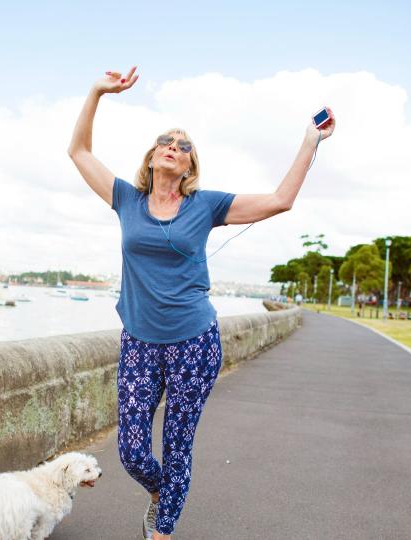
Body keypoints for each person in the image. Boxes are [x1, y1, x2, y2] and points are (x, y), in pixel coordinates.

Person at [67, 66, 335, 539]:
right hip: (139, 344)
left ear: (190, 166)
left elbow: (279, 200)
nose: (173, 145)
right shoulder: (126, 199)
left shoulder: (205, 205)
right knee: (131, 450)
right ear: (151, 157)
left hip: (195, 343)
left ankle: (162, 528)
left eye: (184, 145)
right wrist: (97, 92)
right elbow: (79, 151)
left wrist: (310, 142)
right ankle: (161, 494)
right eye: (165, 141)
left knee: (177, 444)